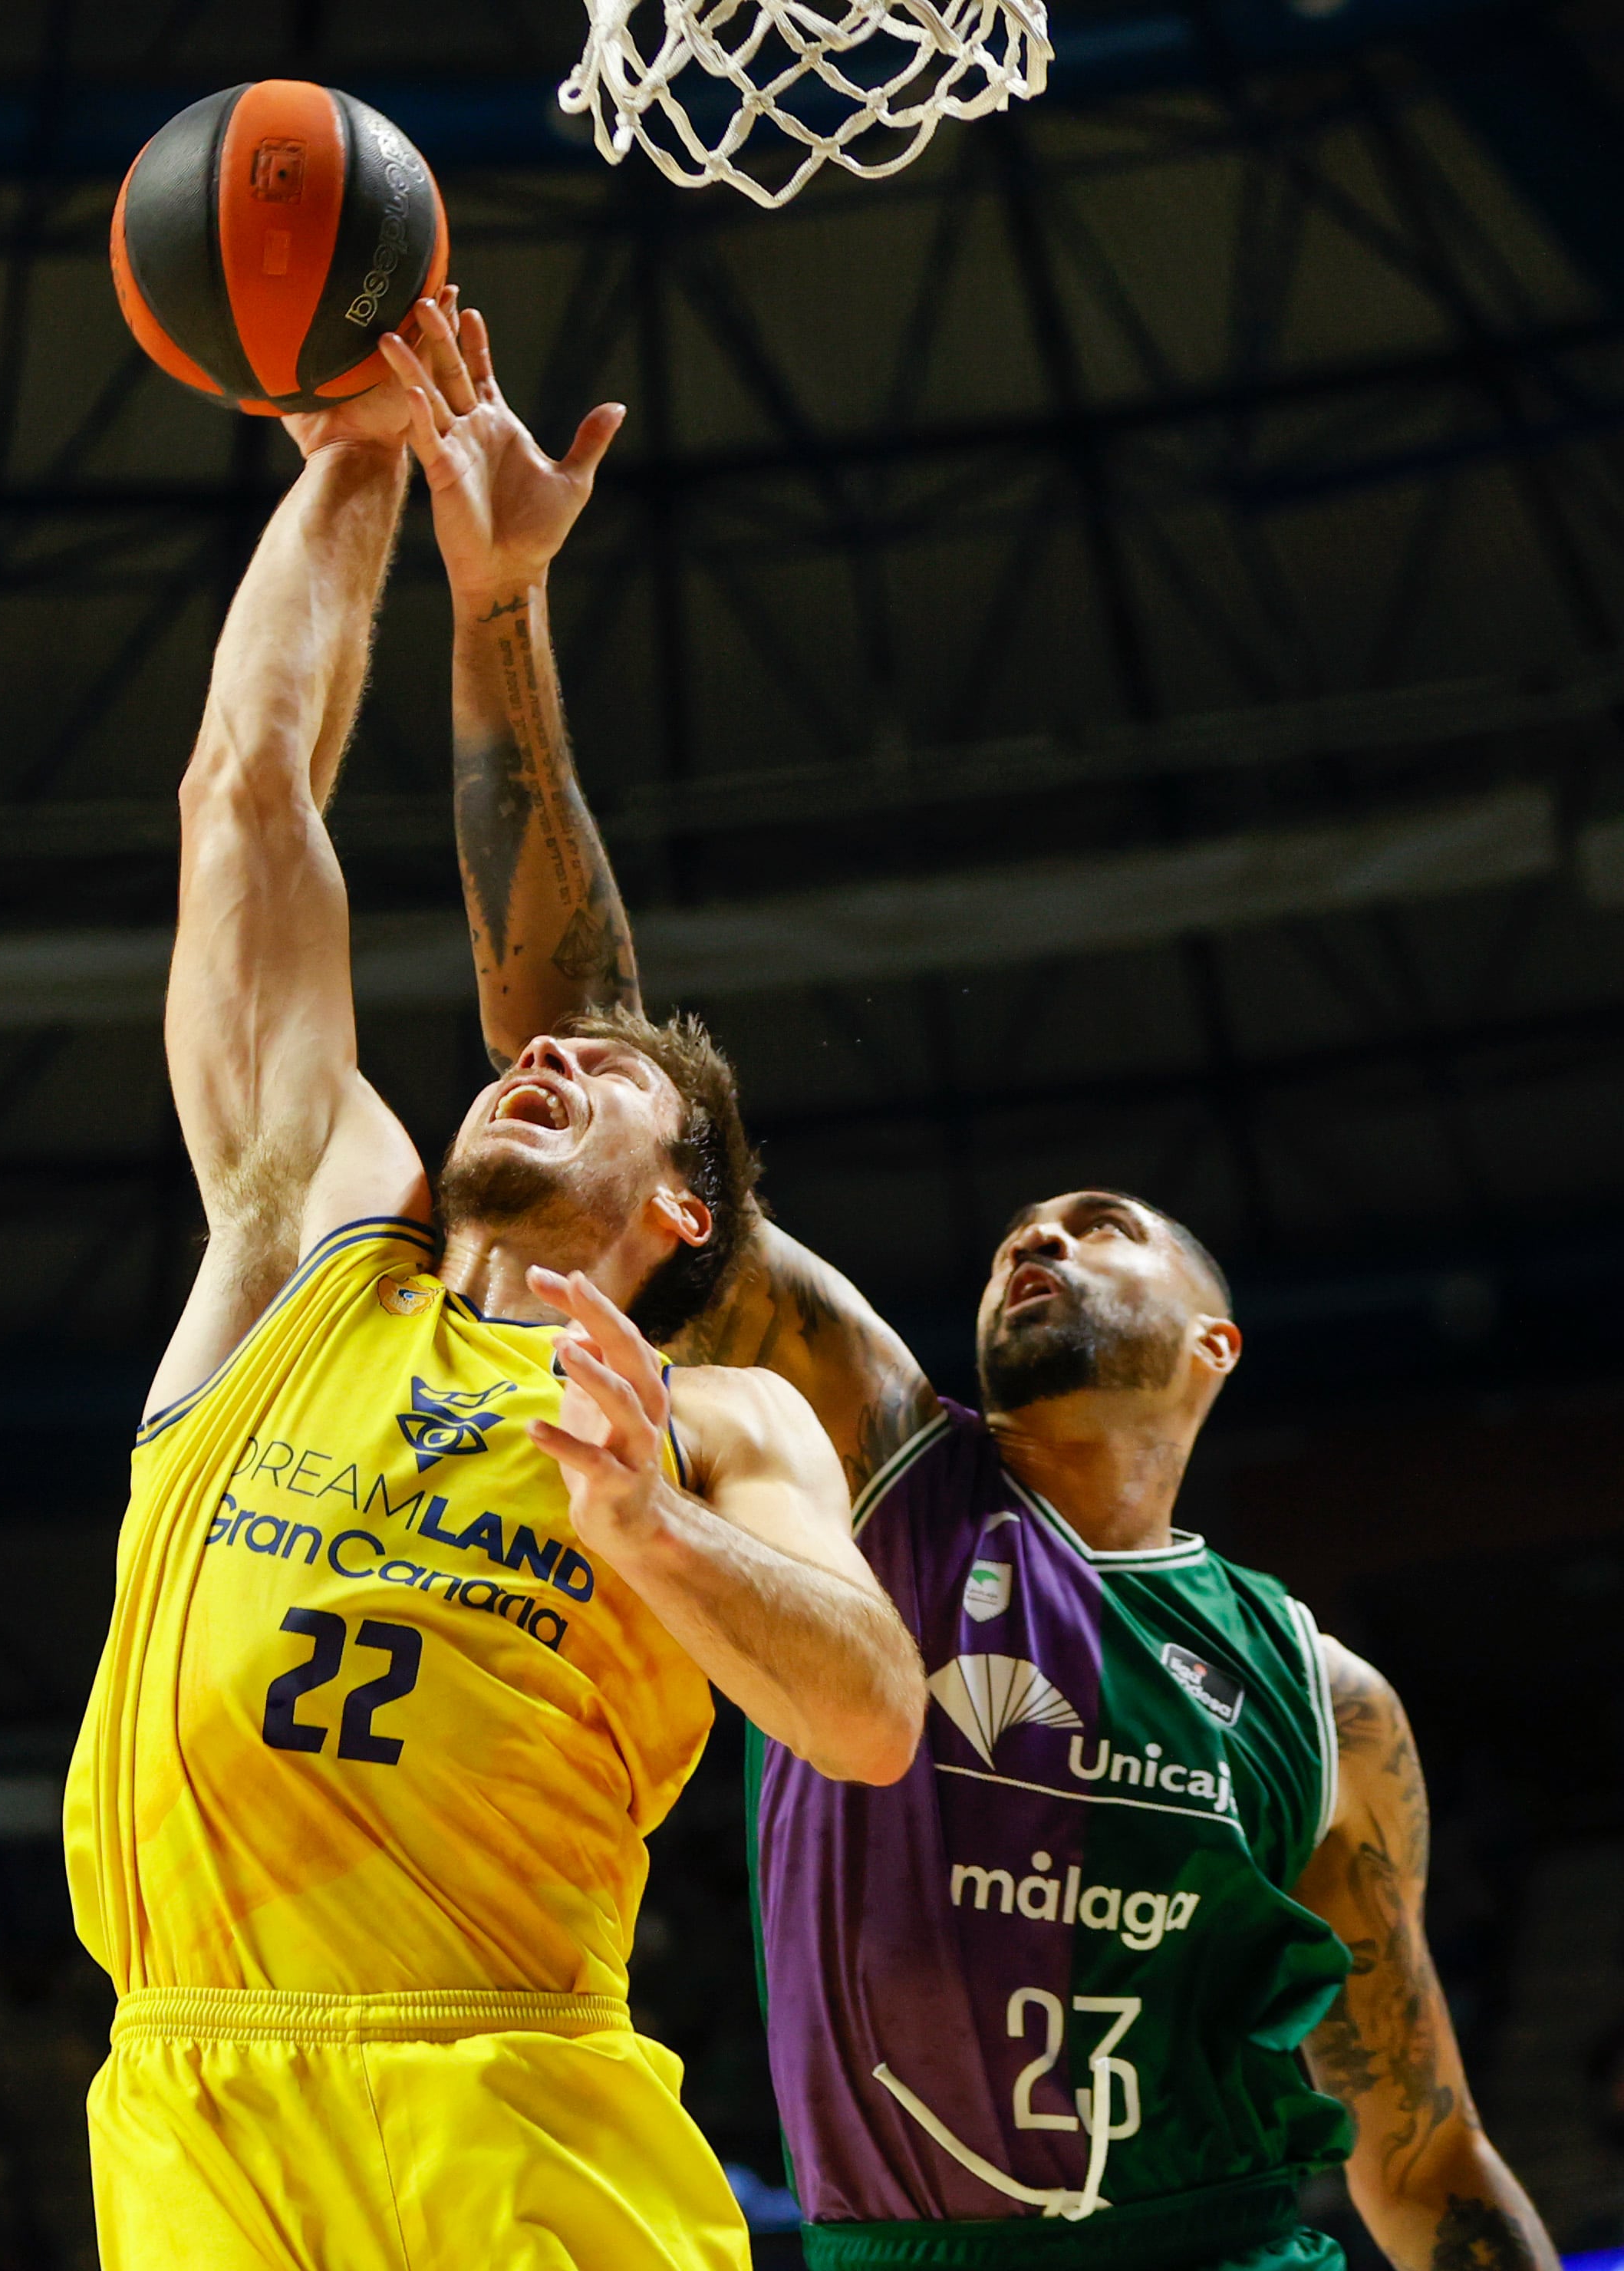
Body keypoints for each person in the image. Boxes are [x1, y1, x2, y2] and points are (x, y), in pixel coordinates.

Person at [402, 307, 1561, 2271]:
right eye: (1023, 1227)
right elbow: (595, 1065)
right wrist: (497, 611)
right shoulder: (874, 1457)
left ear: (1213, 1344)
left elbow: (1420, 2143)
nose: (1040, 1233)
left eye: (1101, 1220)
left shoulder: (1320, 1705)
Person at [63, 298, 925, 2271]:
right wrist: (357, 456)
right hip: (196, 2109)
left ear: (685, 1213)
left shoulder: (717, 1420)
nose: (537, 1051)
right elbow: (244, 794)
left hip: (513, 2107)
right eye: (531, 1051)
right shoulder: (302, 1240)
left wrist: (646, 1529)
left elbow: (872, 1715)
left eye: (601, 1068)